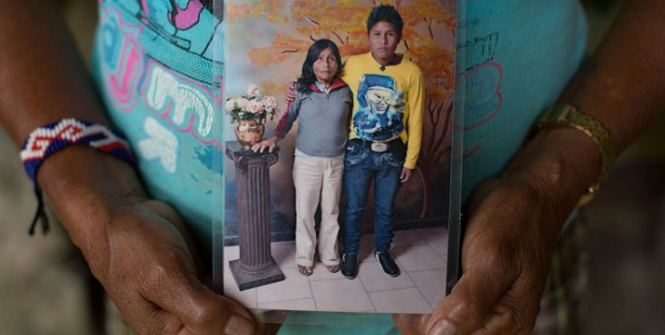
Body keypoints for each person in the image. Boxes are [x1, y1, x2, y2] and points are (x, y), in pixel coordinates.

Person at [2, 1, 665, 335]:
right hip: (167, 275)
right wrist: (93, 195)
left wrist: (550, 178)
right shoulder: (304, 92)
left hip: (501, 258)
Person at [337, 4, 425, 280]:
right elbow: (324, 85)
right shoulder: (352, 64)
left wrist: (411, 160)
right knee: (354, 207)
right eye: (377, 34)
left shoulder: (412, 72)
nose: (383, 40)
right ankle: (350, 253)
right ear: (368, 37)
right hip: (358, 150)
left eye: (389, 34)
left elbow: (416, 120)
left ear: (399, 37)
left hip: (393, 153)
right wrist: (297, 89)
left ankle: (382, 250)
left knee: (386, 208)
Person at [251, 39, 352, 276]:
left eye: (331, 58)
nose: (325, 64)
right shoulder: (301, 90)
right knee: (306, 212)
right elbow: (287, 119)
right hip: (307, 161)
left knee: (331, 211)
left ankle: (330, 254)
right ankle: (305, 257)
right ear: (311, 63)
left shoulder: (347, 91)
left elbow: (354, 124)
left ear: (337, 62)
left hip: (336, 162)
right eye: (319, 58)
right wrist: (273, 138)